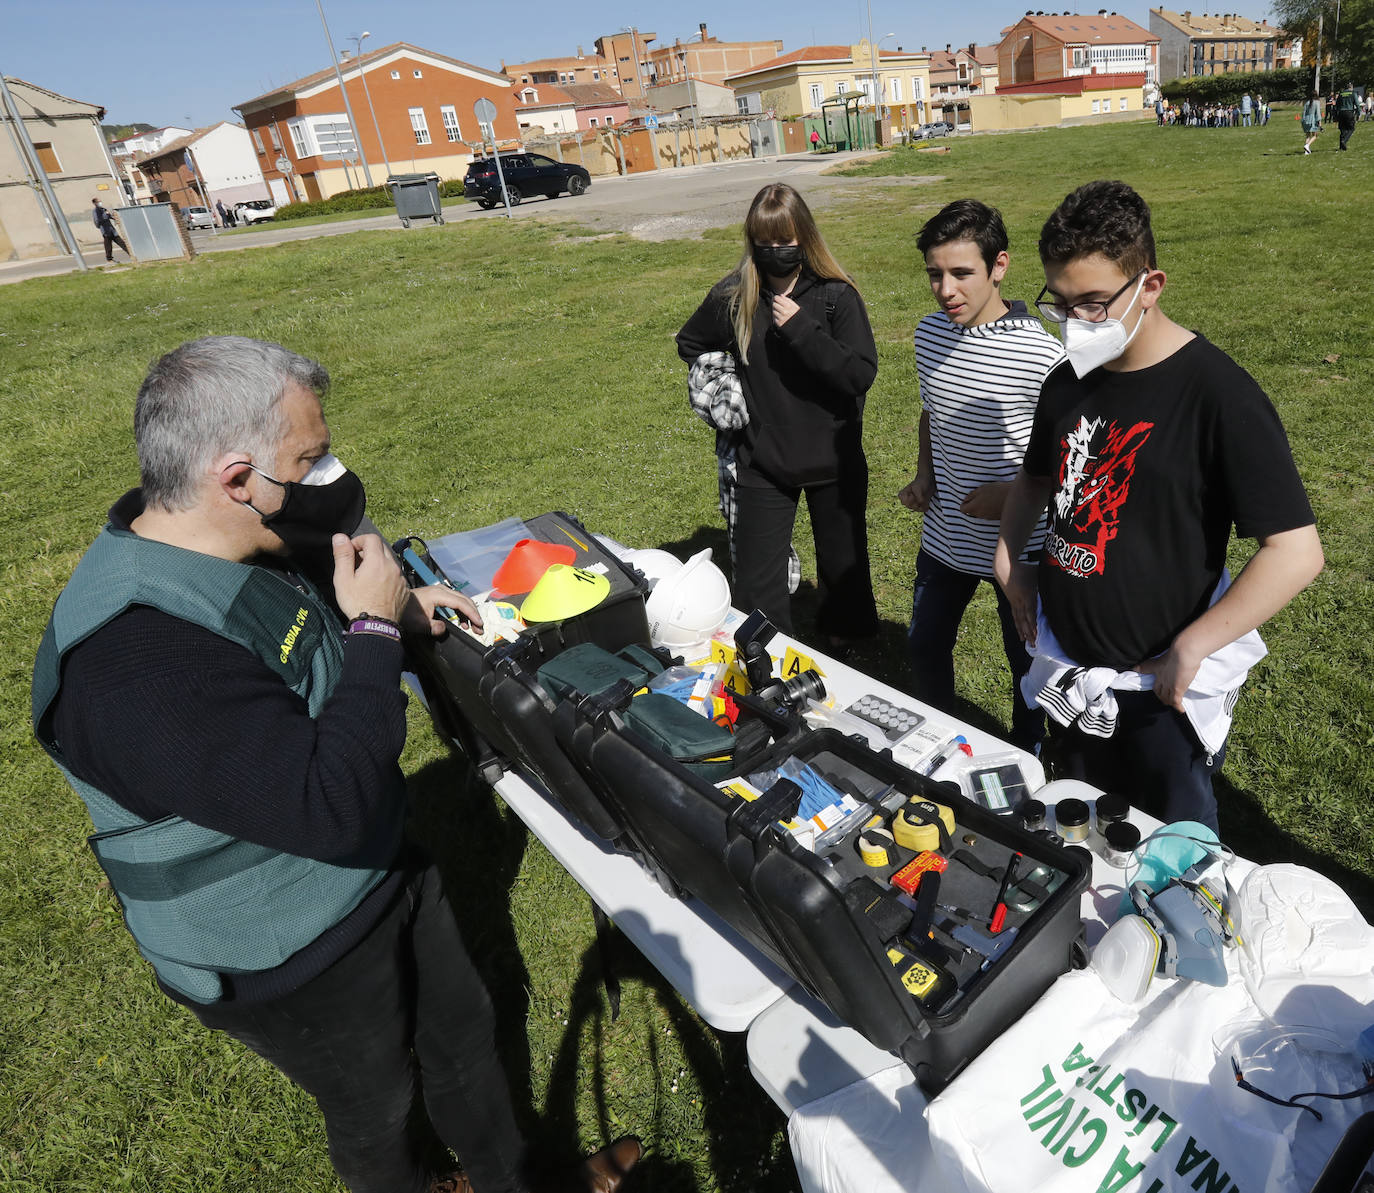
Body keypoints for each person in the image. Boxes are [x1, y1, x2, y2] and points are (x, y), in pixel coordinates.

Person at [31, 336, 642, 1193]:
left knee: (465, 1038)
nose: (330, 479)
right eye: (309, 460)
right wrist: (375, 632)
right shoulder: (135, 663)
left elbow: (288, 619)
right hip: (284, 947)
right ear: (235, 476)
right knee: (378, 1111)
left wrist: (396, 605)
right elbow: (332, 805)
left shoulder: (218, 536)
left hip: (376, 869)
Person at [993, 181, 1323, 833]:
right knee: (1078, 839)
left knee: (1172, 855)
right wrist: (1013, 561)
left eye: (1092, 304)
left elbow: (1296, 550)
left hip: (1158, 696)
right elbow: (1035, 479)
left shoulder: (1219, 396)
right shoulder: (1065, 382)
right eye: (1059, 303)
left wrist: (1195, 643)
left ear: (1150, 284)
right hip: (1070, 670)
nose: (1073, 323)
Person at [676, 183, 879, 650]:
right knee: (756, 574)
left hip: (833, 457)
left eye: (784, 243)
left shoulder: (834, 297)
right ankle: (766, 648)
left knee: (842, 558)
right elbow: (690, 343)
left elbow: (859, 374)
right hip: (764, 457)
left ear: (804, 238)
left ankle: (844, 637)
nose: (775, 253)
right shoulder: (736, 295)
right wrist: (727, 386)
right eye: (764, 244)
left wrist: (803, 330)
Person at [898, 200, 1064, 752]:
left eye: (961, 274)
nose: (946, 290)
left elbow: (1069, 461)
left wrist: (1012, 496)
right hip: (945, 537)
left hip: (1020, 548)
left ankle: (1028, 751)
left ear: (999, 266)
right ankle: (936, 741)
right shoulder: (928, 334)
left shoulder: (1042, 355)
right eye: (935, 275)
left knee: (1026, 664)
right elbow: (931, 410)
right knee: (924, 646)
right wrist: (926, 474)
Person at [91, 196, 130, 263]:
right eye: (98, 201)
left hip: (112, 230)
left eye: (100, 201)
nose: (100, 202)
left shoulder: (103, 209)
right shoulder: (96, 211)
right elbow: (98, 220)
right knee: (108, 246)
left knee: (121, 242)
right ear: (95, 203)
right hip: (106, 231)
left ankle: (131, 254)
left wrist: (115, 218)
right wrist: (106, 216)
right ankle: (109, 259)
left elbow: (109, 216)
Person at [1335, 82, 1359, 150]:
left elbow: (1337, 105)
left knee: (1342, 129)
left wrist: (1336, 115)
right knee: (1351, 128)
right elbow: (1357, 104)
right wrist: (1358, 113)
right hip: (1349, 112)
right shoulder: (1353, 93)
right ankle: (1344, 141)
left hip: (1341, 113)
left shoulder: (1341, 93)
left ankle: (1341, 147)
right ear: (1351, 87)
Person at [1302, 90, 1323, 154]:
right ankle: (1307, 145)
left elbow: (1304, 113)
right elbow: (1318, 114)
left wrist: (1303, 121)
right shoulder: (1317, 102)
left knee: (1308, 136)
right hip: (1312, 121)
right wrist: (1320, 124)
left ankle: (1306, 151)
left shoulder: (1307, 102)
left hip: (1306, 120)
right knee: (1315, 135)